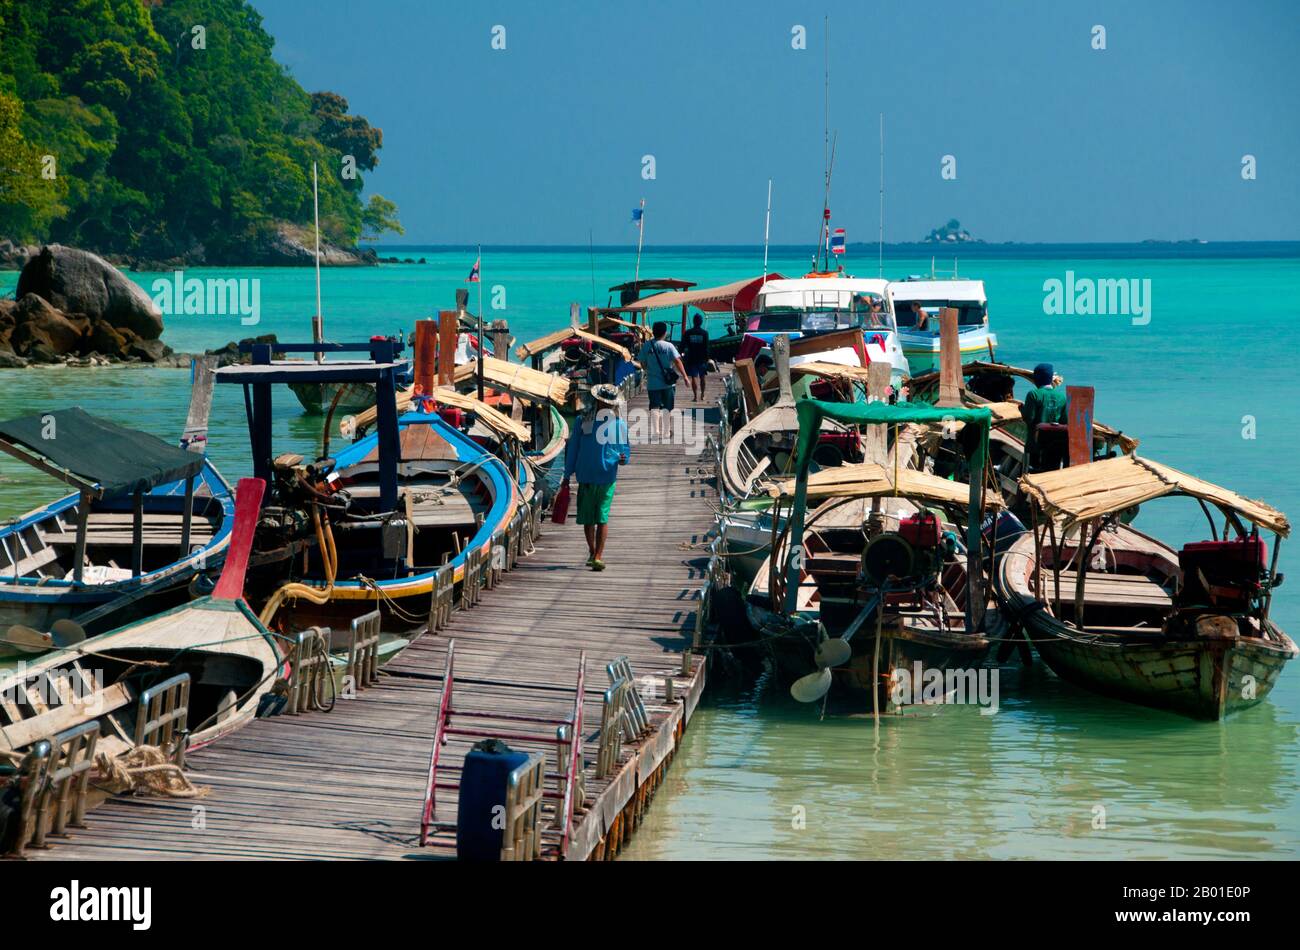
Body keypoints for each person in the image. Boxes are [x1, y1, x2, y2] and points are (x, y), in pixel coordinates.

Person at [562, 383, 630, 571]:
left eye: (608, 403)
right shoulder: (583, 420)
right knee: (587, 519)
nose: (605, 406)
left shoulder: (619, 424)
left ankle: (598, 556)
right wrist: (567, 476)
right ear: (597, 400)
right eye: (602, 402)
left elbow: (625, 451)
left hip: (607, 477)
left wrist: (623, 459)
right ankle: (592, 551)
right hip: (584, 476)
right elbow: (573, 449)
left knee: (602, 517)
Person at [636, 321, 687, 442]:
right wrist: (685, 376)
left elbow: (642, 363)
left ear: (653, 332)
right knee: (667, 408)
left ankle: (656, 432)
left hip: (652, 383)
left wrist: (648, 369)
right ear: (665, 333)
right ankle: (666, 432)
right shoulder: (668, 346)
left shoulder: (647, 346)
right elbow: (677, 361)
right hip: (667, 383)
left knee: (654, 407)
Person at [1021, 362, 1068, 472]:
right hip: (1055, 447)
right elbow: (1065, 422)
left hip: (1035, 445)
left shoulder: (1033, 394)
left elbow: (1029, 419)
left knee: (1032, 473)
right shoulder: (1062, 397)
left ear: (1036, 378)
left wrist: (1022, 410)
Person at [681, 313, 711, 402]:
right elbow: (706, 347)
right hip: (702, 358)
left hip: (691, 357)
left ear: (694, 322)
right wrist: (707, 358)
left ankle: (695, 397)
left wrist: (681, 354)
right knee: (702, 377)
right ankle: (702, 394)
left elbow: (682, 345)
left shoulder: (688, 333)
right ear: (701, 322)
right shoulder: (704, 333)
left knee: (694, 377)